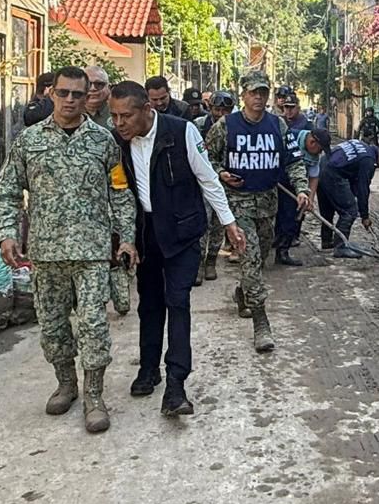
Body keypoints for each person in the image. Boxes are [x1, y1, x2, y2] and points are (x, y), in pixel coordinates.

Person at [0, 66, 136, 434]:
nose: (70, 100)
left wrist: (127, 237)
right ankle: (66, 384)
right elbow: (7, 188)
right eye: (64, 93)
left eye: (78, 93)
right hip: (46, 251)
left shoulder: (103, 142)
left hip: (92, 252)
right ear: (51, 93)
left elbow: (120, 194)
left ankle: (94, 396)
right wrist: (7, 233)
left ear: (89, 96)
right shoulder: (29, 141)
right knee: (53, 327)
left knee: (93, 325)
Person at [108, 82, 247, 417]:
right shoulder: (116, 143)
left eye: (125, 115)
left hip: (183, 233)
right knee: (149, 304)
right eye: (114, 116)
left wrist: (228, 223)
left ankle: (176, 384)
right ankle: (148, 368)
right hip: (146, 234)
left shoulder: (182, 131)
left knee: (178, 302)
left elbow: (208, 179)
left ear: (147, 110)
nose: (119, 123)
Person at [204, 70, 312, 352]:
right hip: (237, 204)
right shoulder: (226, 125)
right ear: (243, 95)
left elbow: (294, 161)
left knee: (260, 257)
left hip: (267, 203)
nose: (259, 98)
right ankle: (261, 323)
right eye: (253, 92)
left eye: (263, 92)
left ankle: (243, 292)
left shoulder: (278, 125)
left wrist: (302, 189)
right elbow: (205, 160)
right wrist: (222, 173)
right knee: (250, 258)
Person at [315, 132, 379, 257]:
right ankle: (340, 247)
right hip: (332, 173)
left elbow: (352, 178)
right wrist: (364, 215)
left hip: (322, 166)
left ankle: (327, 241)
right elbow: (363, 189)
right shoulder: (369, 160)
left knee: (327, 209)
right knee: (350, 210)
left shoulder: (359, 144)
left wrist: (350, 195)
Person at [196, 90, 236, 283]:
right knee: (202, 222)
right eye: (217, 109)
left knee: (219, 224)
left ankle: (211, 260)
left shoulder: (235, 127)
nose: (221, 114)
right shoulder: (198, 125)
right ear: (210, 108)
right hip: (202, 181)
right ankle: (198, 264)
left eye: (225, 110)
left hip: (225, 182)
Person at [273, 87, 311, 267]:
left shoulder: (306, 125)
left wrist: (306, 189)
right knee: (274, 216)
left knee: (291, 216)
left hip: (294, 176)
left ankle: (284, 250)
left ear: (298, 107)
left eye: (291, 107)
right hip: (275, 177)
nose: (288, 110)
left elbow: (311, 160)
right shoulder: (277, 123)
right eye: (285, 107)